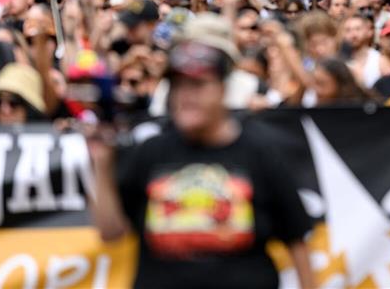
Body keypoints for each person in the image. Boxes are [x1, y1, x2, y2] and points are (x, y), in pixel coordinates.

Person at [86, 35, 316, 289]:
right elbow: (111, 232)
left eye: (198, 85)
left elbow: (297, 241)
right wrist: (101, 163)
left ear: (223, 89)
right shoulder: (150, 153)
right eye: (179, 86)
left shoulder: (259, 153)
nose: (186, 96)